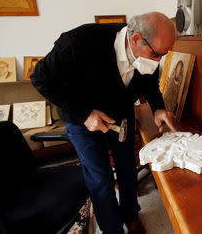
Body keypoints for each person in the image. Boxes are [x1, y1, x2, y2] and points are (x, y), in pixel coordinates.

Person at [31, 12, 178, 234]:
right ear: (136, 39)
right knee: (100, 179)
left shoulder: (149, 52)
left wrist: (158, 107)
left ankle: (131, 215)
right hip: (83, 119)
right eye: (157, 55)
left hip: (121, 114)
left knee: (128, 167)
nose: (158, 61)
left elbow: (149, 82)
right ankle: (112, 229)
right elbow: (40, 77)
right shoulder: (78, 42)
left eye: (163, 56)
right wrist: (84, 114)